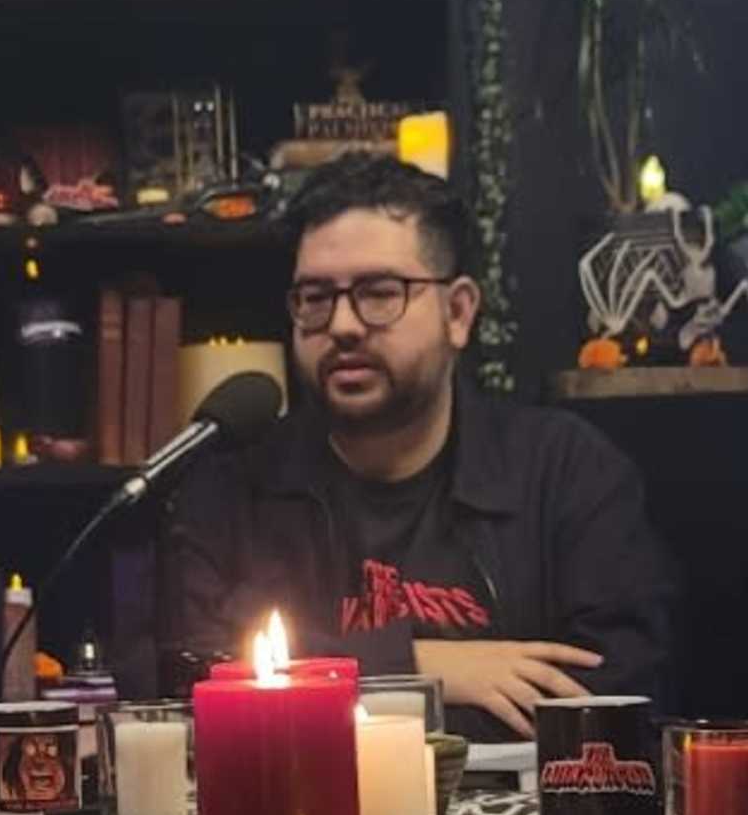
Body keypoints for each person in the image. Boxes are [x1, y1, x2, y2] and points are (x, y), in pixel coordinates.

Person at [168, 153, 675, 734]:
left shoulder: (565, 473)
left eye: (380, 292)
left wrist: (326, 685)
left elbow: (612, 696)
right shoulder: (231, 491)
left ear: (458, 313)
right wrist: (417, 667)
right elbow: (192, 680)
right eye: (315, 297)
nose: (342, 325)